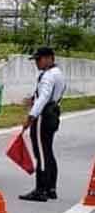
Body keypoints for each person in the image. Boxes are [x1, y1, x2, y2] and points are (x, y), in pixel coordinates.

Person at [20, 47, 66, 203]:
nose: (36, 63)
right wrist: (34, 100)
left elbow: (44, 97)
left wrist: (31, 116)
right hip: (53, 113)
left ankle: (41, 190)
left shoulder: (47, 76)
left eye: (39, 59)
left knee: (41, 154)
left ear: (49, 58)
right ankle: (51, 188)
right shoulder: (58, 73)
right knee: (48, 151)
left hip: (43, 117)